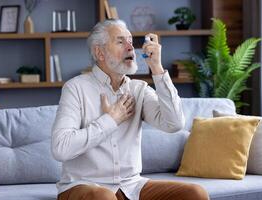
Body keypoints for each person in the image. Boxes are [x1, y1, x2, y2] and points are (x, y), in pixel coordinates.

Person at [51, 19, 209, 200]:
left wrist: (157, 68)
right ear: (99, 52)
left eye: (131, 42)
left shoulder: (138, 89)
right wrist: (110, 120)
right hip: (83, 185)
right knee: (104, 197)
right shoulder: (76, 88)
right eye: (120, 41)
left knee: (195, 194)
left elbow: (174, 124)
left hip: (131, 185)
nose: (130, 47)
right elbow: (60, 148)